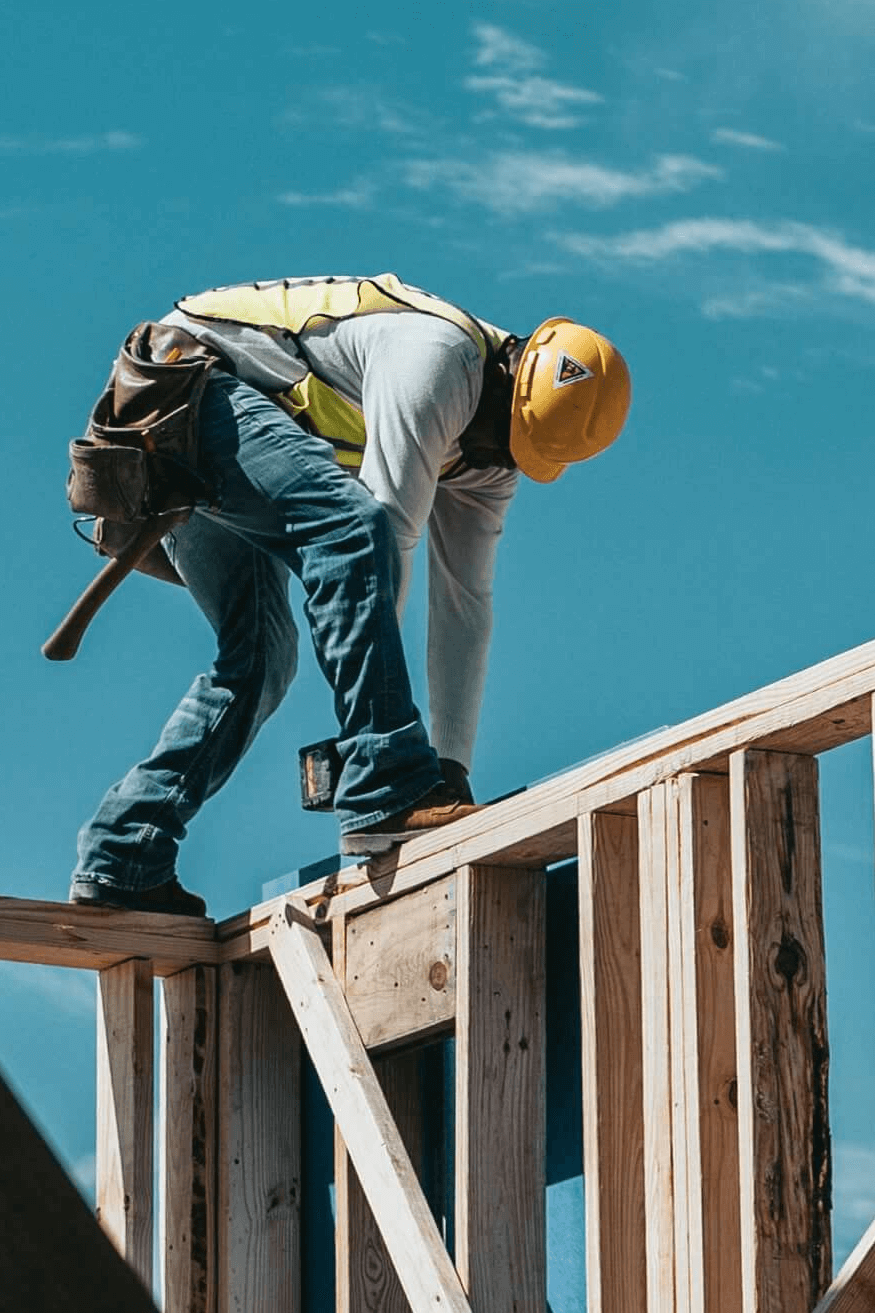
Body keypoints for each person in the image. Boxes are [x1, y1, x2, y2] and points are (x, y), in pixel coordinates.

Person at [67, 275, 630, 916]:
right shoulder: (439, 359)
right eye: (498, 435)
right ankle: (385, 780)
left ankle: (124, 854)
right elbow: (381, 538)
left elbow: (464, 606)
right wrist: (385, 759)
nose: (489, 458)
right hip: (180, 394)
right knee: (351, 526)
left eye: (511, 452)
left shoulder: (488, 458)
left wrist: (451, 769)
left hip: (215, 434)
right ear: (509, 372)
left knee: (260, 660)